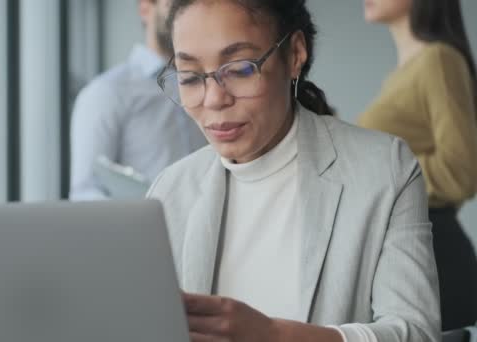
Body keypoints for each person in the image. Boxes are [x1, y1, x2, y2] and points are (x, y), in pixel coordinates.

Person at [147, 0, 440, 341]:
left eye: (240, 69)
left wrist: (275, 335)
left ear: (295, 54)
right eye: (190, 77)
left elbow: (418, 333)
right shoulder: (170, 190)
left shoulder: (384, 169)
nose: (213, 99)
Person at [359, 0, 477, 331]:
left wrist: (380, 178)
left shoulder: (438, 60)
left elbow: (461, 171)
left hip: (433, 255)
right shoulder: (403, 73)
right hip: (406, 256)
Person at [69, 0, 206, 200]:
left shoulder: (211, 82)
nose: (184, 15)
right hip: (150, 227)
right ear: (145, 9)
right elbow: (86, 193)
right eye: (173, 6)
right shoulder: (107, 92)